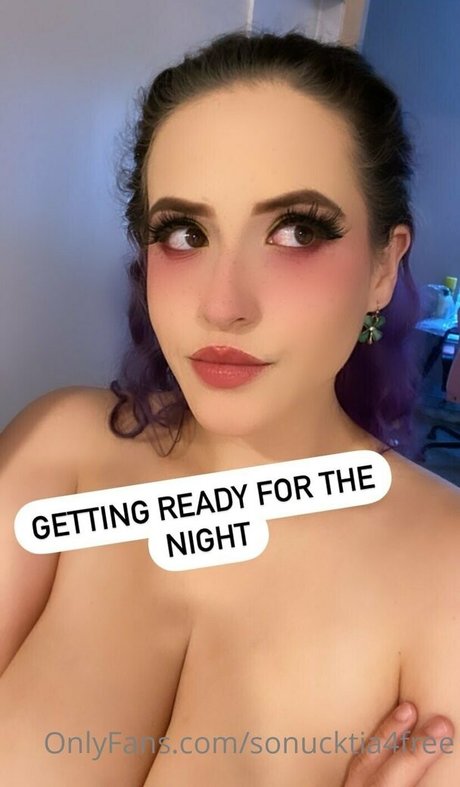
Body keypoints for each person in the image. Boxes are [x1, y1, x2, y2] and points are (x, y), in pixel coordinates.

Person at [0, 27, 459, 786]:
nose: (222, 305)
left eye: (296, 231)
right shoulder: (58, 453)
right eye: (185, 233)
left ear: (383, 265)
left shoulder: (445, 567)